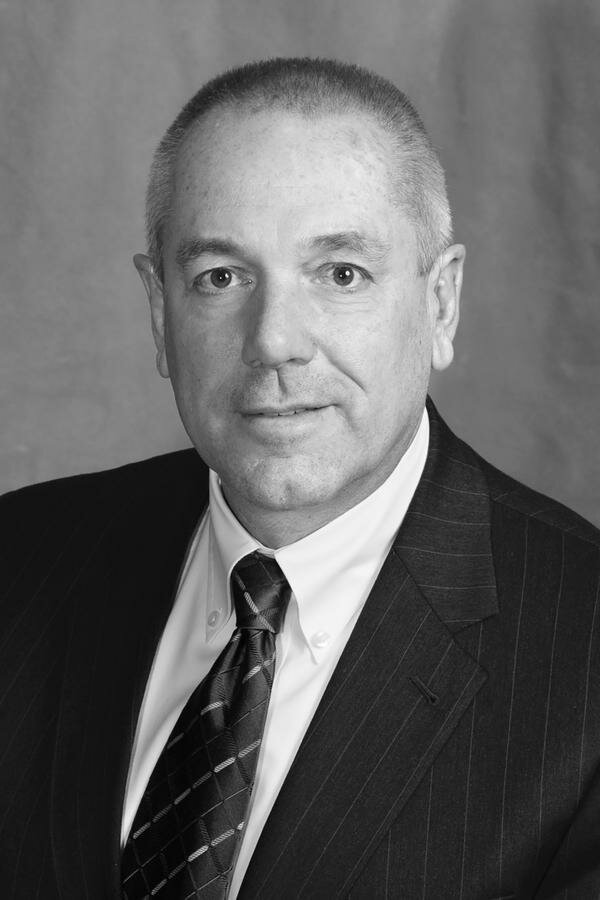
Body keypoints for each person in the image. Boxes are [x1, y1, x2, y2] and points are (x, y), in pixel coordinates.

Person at [1, 57, 599, 900]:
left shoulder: (582, 657)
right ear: (160, 312)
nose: (274, 340)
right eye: (221, 277)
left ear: (441, 303)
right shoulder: (21, 561)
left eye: (341, 273)